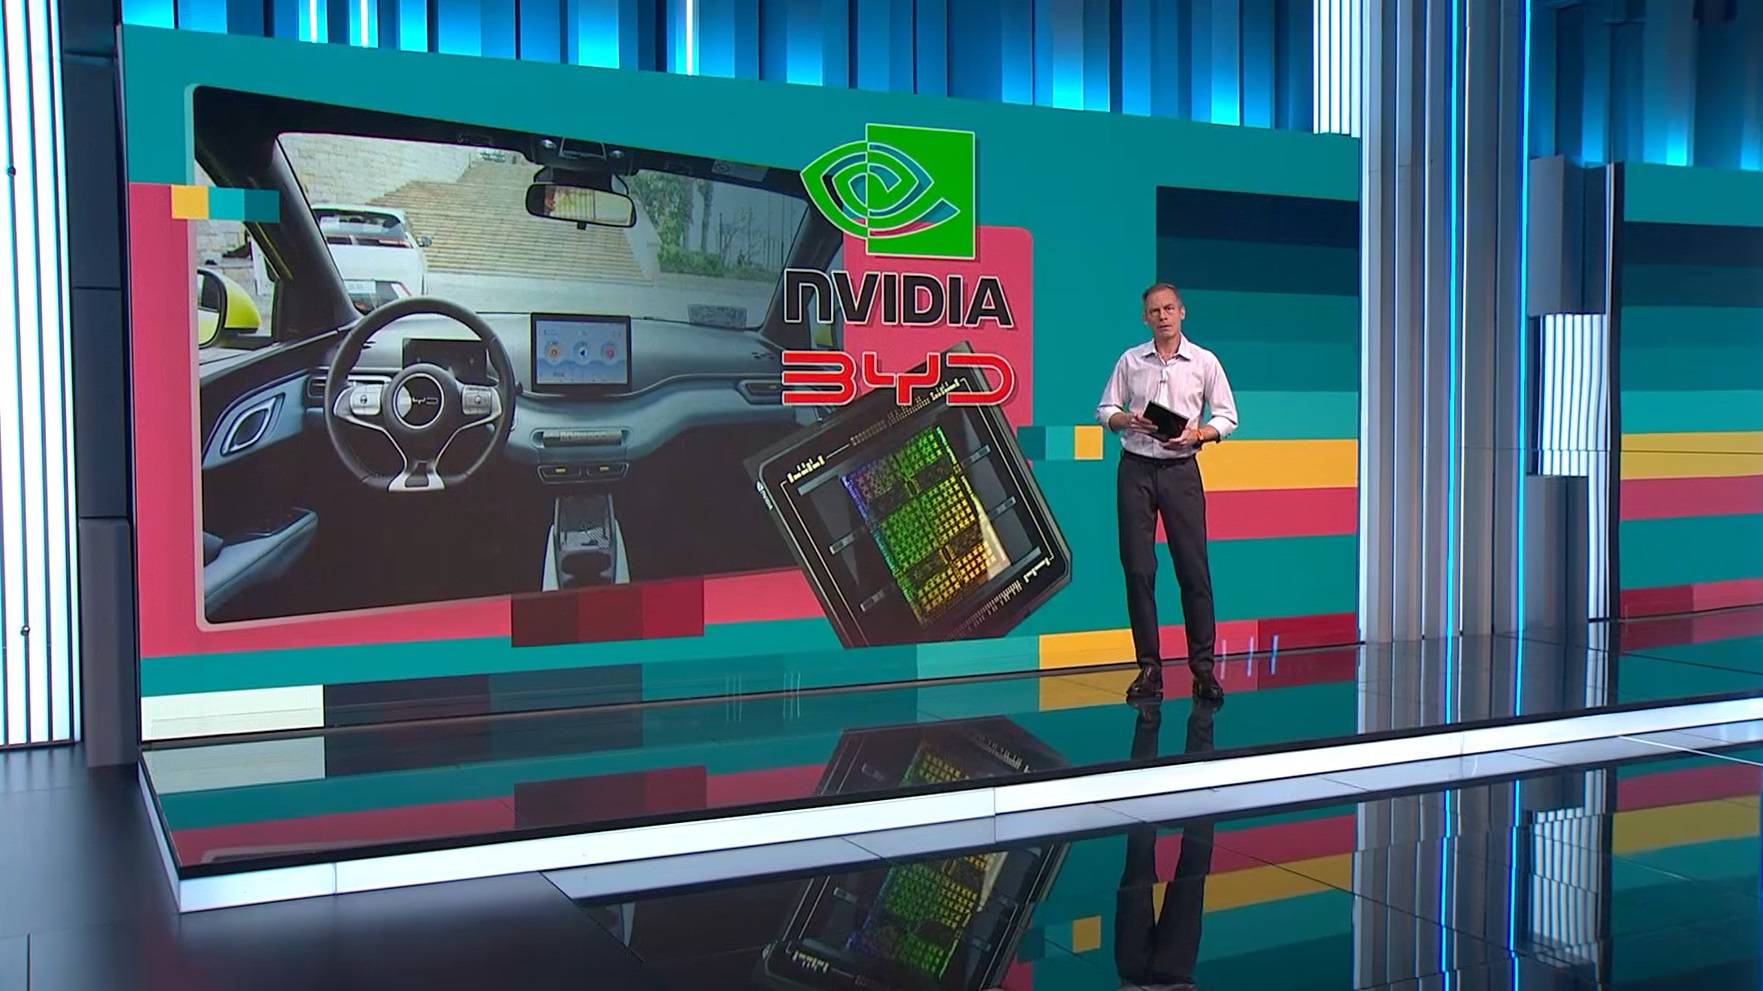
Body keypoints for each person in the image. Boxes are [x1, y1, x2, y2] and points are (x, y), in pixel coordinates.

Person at [1095, 283, 1238, 703]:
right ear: (1145, 318)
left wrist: (1199, 434)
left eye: (1169, 308)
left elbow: (1227, 416)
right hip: (1136, 470)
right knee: (1139, 570)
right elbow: (1105, 409)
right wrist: (1126, 420)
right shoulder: (1130, 360)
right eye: (1155, 311)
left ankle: (1203, 670)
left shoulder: (1204, 362)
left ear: (1182, 312)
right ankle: (1149, 669)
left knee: (1193, 571)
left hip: (1181, 471)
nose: (1162, 316)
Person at [1113, 698, 1219, 990]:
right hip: (1173, 976)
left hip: (1135, 976)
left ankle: (1152, 720)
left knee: (1140, 854)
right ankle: (1200, 721)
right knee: (1190, 868)